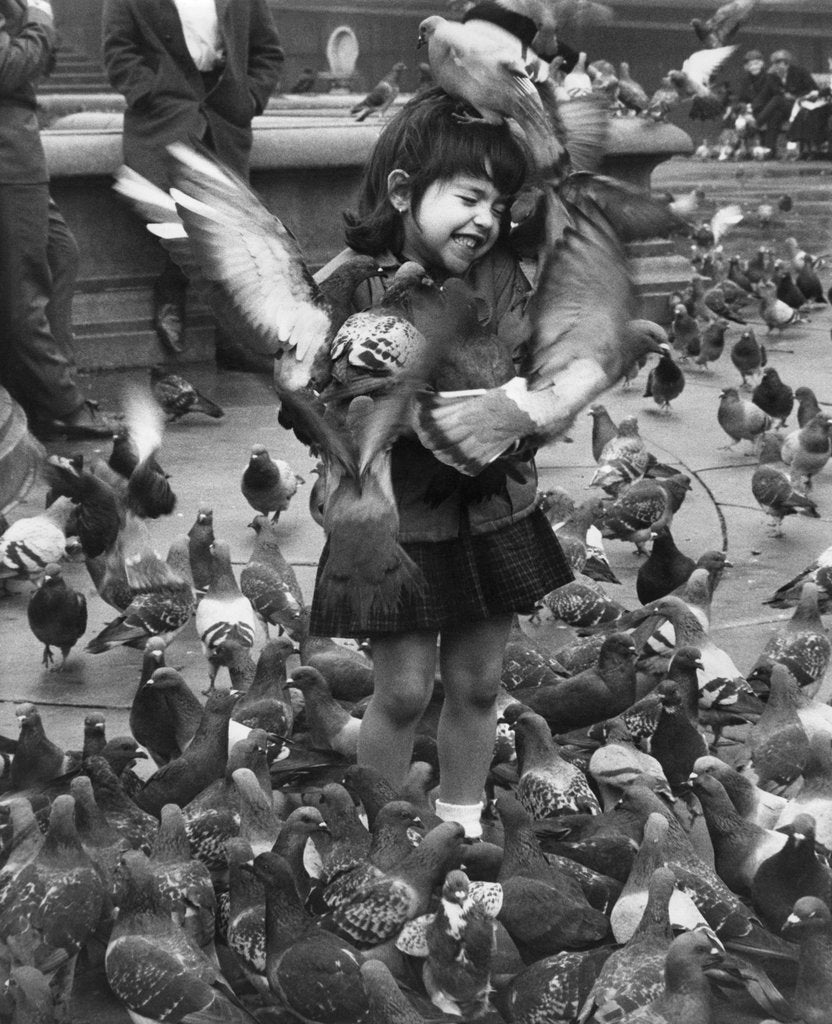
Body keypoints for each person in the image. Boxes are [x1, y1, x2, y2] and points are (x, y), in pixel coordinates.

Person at [308, 89, 573, 838]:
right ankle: (377, 835)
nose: (487, 219)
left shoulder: (503, 277)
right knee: (398, 691)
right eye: (468, 198)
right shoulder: (350, 281)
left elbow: (538, 375)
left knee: (479, 682)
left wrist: (514, 417)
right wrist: (356, 417)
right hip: (399, 525)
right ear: (401, 191)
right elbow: (304, 396)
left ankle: (461, 825)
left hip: (493, 511)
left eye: (500, 202)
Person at [102, 0, 284, 369]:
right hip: (164, 113)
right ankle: (175, 288)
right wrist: (148, 92)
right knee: (176, 212)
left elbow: (268, 52)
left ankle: (232, 339)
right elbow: (117, 49)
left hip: (224, 114)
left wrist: (248, 99)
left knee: (231, 225)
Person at [0, 0, 115, 440]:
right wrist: (41, 16)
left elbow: (37, 63)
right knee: (23, 292)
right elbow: (11, 66)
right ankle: (63, 408)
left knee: (60, 254)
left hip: (17, 150)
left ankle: (47, 393)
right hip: (8, 156)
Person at [748, 49, 816, 157]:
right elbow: (762, 94)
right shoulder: (772, 76)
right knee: (775, 115)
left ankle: (757, 124)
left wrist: (795, 96)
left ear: (787, 64)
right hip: (784, 108)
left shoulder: (800, 72)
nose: (779, 68)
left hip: (800, 107)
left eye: (782, 64)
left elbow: (813, 90)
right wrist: (753, 109)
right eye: (776, 65)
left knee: (777, 99)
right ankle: (770, 150)